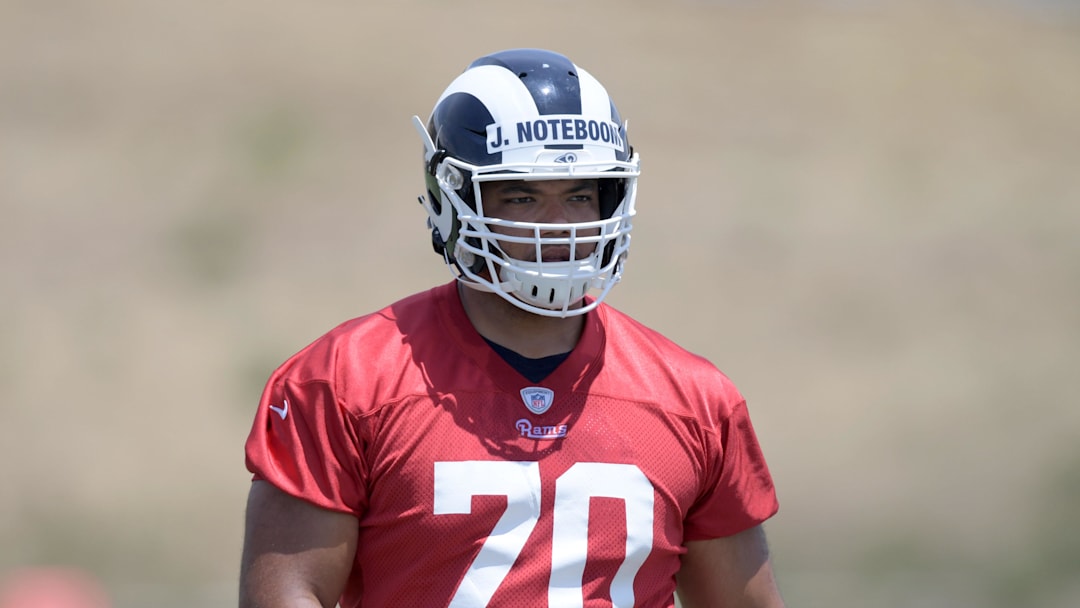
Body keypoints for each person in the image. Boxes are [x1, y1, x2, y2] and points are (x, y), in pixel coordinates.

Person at [239, 48, 784, 608]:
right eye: (522, 196)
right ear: (454, 198)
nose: (559, 227)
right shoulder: (342, 381)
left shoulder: (696, 400)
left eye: (579, 196)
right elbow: (287, 594)